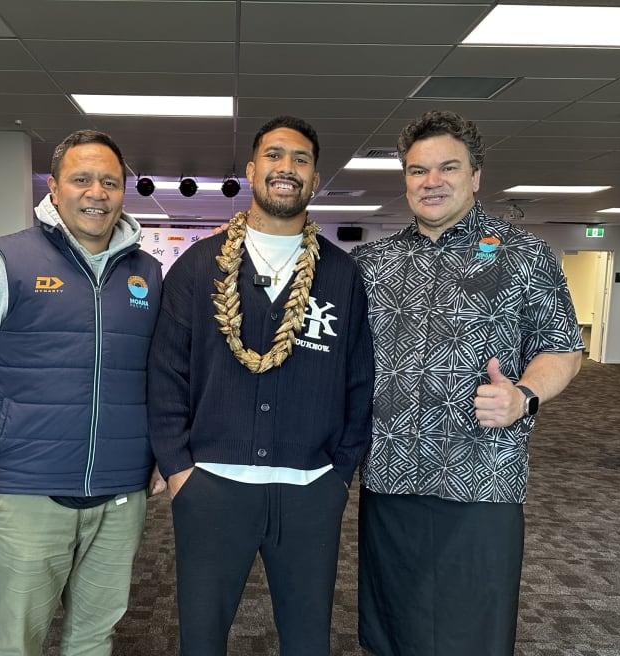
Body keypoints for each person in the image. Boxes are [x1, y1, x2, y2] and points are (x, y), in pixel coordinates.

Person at [350, 110, 584, 656]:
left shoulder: (524, 256)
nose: (431, 182)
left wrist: (523, 394)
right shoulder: (370, 264)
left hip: (482, 479)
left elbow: (564, 348)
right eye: (416, 171)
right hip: (391, 476)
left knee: (472, 631)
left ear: (476, 176)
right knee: (393, 626)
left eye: (447, 168)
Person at [0, 129, 165, 656]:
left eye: (109, 181)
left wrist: (163, 452)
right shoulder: (7, 261)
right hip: (29, 489)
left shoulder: (147, 273)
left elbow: (160, 376)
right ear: (54, 190)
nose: (96, 192)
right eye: (81, 179)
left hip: (121, 491)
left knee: (94, 636)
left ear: (124, 191)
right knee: (19, 640)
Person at [148, 115, 374, 656]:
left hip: (310, 489)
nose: (286, 168)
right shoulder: (198, 269)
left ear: (315, 179)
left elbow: (360, 380)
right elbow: (165, 376)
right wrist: (179, 469)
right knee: (200, 640)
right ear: (252, 170)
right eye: (274, 156)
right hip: (211, 486)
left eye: (300, 159)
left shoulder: (341, 275)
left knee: (307, 640)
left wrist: (339, 474)